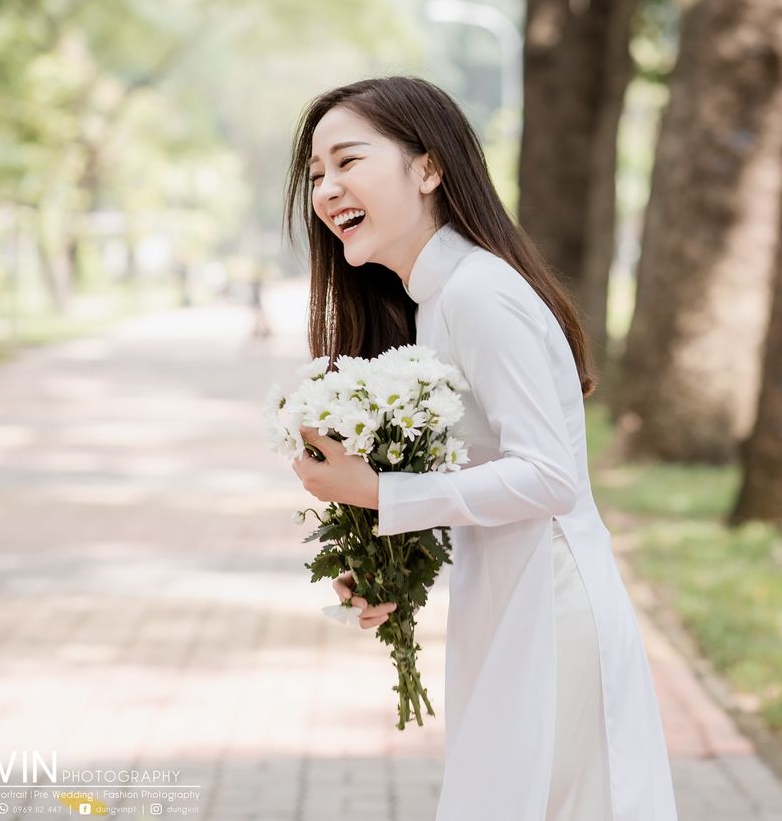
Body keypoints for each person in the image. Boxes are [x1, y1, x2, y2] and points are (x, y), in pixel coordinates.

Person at [283, 76, 678, 821]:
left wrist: (380, 494)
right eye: (315, 175)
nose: (327, 190)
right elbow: (481, 470)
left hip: (549, 603)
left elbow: (549, 476)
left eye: (347, 161)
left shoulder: (476, 294)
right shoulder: (436, 301)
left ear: (428, 168)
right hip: (507, 601)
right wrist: (385, 567)